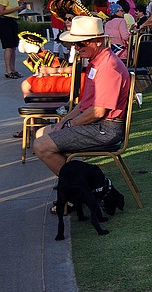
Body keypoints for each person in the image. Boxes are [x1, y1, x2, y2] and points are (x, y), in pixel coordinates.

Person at [33, 16, 130, 176]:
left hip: (105, 129)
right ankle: (78, 185)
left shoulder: (107, 67)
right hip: (98, 125)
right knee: (41, 135)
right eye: (73, 43)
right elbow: (84, 104)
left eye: (80, 43)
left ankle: (82, 188)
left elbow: (98, 111)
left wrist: (70, 125)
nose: (76, 47)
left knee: (41, 145)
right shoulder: (97, 61)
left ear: (98, 41)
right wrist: (64, 122)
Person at [1, 0, 24, 78]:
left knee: (14, 47)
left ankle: (13, 69)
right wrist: (17, 8)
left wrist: (20, 9)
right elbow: (1, 11)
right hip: (5, 21)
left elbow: (14, 11)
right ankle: (8, 70)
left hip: (13, 20)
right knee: (8, 47)